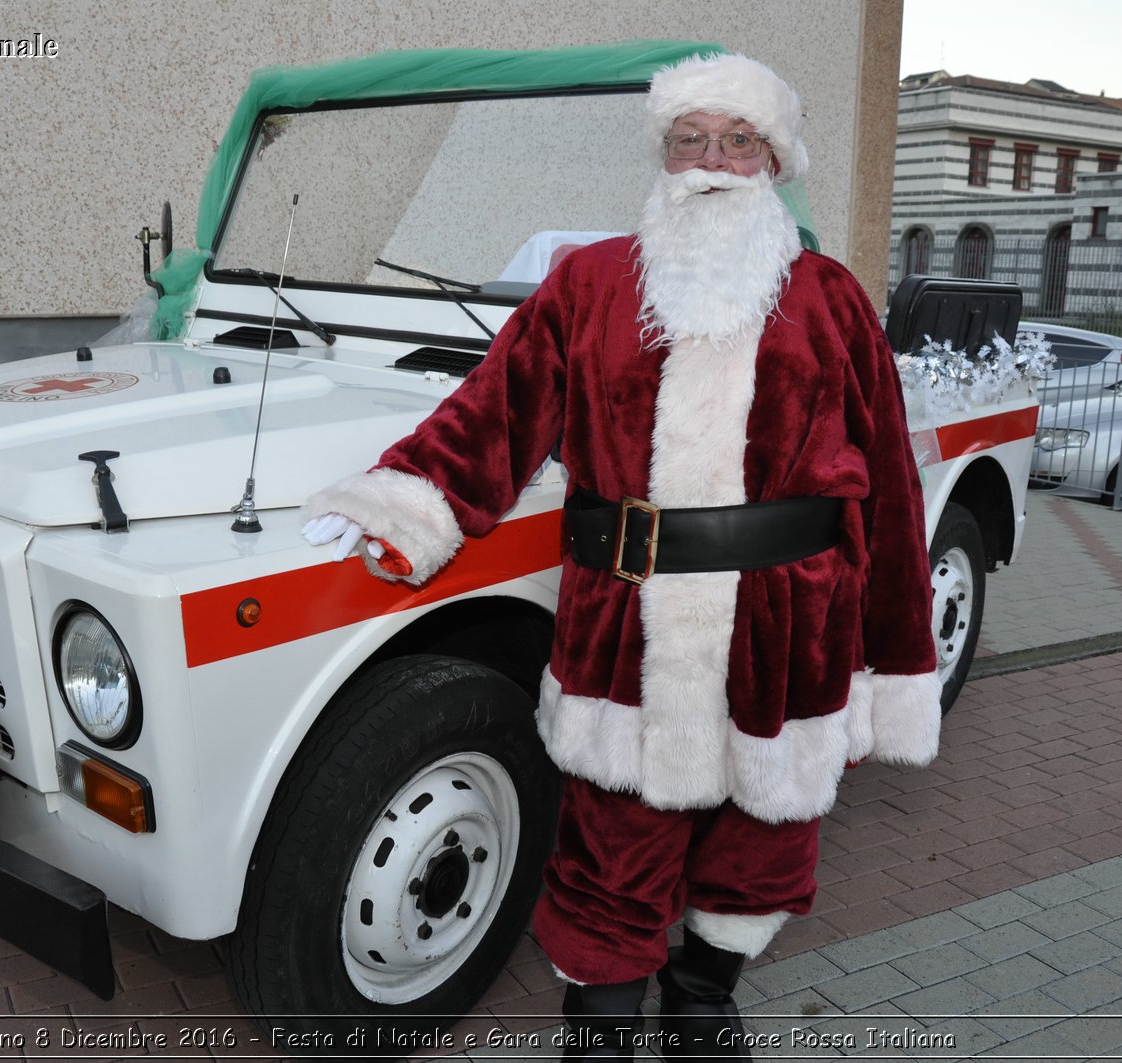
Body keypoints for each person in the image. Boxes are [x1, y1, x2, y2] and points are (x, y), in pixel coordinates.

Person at [301, 52, 940, 1061]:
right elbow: (496, 413)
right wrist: (411, 494)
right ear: (662, 156)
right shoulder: (589, 282)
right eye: (690, 139)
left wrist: (894, 660)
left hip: (788, 623)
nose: (711, 161)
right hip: (625, 620)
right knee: (612, 837)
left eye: (738, 141)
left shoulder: (830, 298)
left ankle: (702, 995)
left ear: (772, 162)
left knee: (762, 834)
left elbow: (893, 497)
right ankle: (601, 1018)